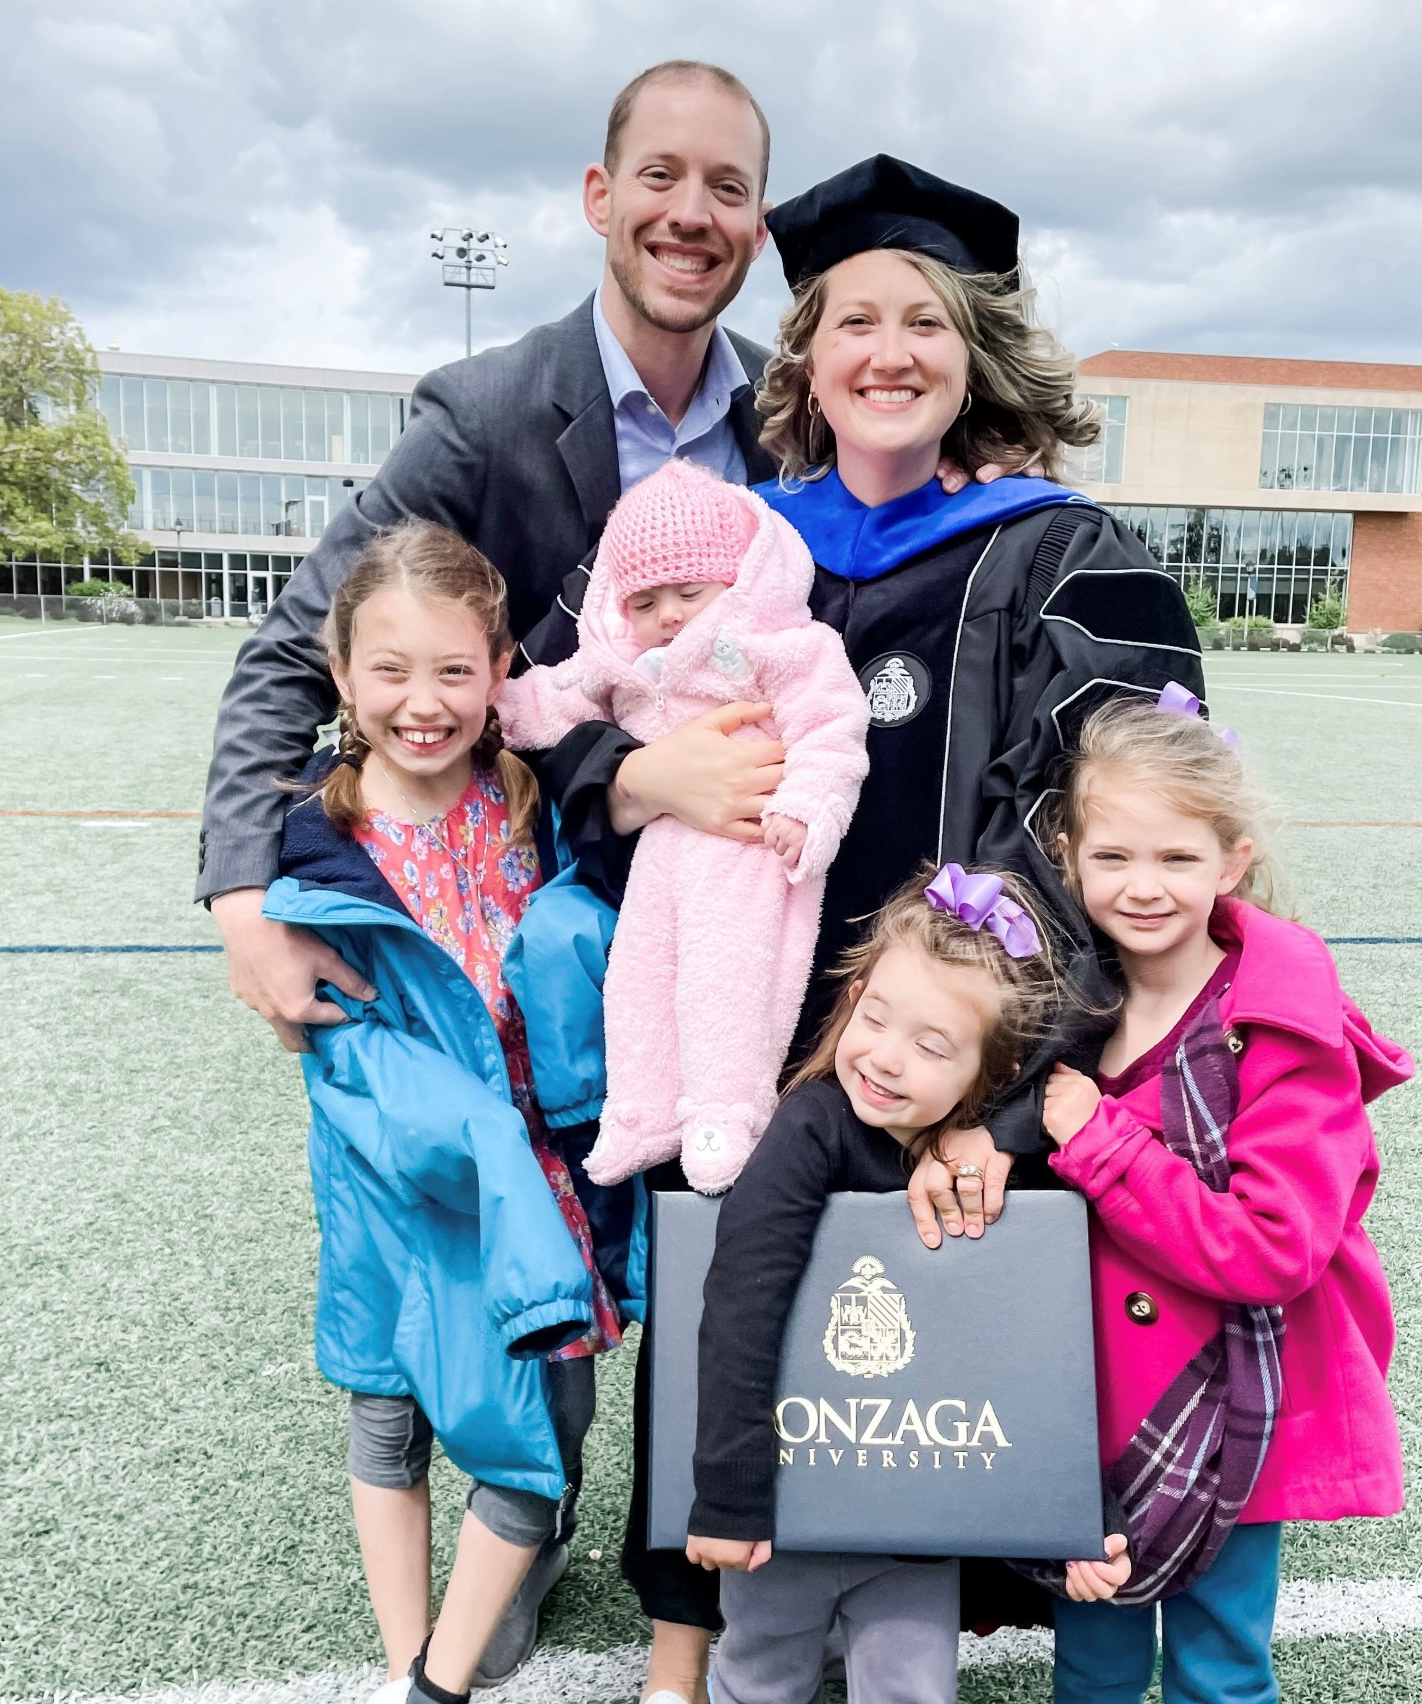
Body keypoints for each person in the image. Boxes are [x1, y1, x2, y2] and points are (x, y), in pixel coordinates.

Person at [535, 152, 1203, 1678]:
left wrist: (1014, 1105)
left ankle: (915, 1639)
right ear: (805, 357)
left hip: (951, 1073)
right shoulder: (717, 549)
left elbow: (1118, 855)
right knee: (730, 1307)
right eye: (849, 321)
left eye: (922, 320)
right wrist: (646, 781)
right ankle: (684, 1650)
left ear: (970, 349)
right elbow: (551, 720)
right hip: (739, 1043)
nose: (885, 351)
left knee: (927, 1365)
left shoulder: (1071, 556)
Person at [268, 521, 632, 1704]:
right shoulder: (318, 842)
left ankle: (449, 1662)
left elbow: (594, 946)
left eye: (453, 672)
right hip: (395, 1190)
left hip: (541, 1181)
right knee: (389, 1416)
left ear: (498, 676)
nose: (421, 703)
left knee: (545, 1424)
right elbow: (343, 1050)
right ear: (342, 679)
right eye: (390, 671)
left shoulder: (531, 805)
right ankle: (408, 1667)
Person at [1027, 692, 1411, 1704]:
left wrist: (1103, 1145)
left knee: (1219, 1666)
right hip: (1091, 1405)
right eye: (1112, 857)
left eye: (1175, 859)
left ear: (1229, 862)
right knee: (1092, 1663)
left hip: (1235, 1399)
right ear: (1066, 855)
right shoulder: (1053, 1001)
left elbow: (1273, 1247)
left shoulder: (1281, 1025)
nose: (1142, 886)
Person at [685, 864, 1132, 1704]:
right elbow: (742, 1298)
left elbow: (1034, 1351)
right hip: (785, 1508)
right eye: (874, 1017)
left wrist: (1082, 1513)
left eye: (931, 1046)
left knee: (910, 1690)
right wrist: (729, 1498)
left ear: (989, 1079)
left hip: (918, 1521)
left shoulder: (992, 1176)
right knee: (758, 1678)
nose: (885, 1058)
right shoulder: (812, 1123)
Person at [498, 457, 869, 1191]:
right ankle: (641, 1112)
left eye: (689, 592)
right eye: (644, 600)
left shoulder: (781, 646)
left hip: (749, 852)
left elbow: (832, 727)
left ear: (738, 582)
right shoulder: (628, 662)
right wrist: (490, 704)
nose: (668, 614)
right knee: (639, 980)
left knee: (730, 984)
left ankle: (726, 1114)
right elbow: (556, 696)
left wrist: (808, 807)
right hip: (662, 857)